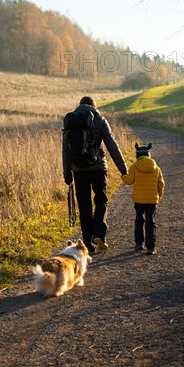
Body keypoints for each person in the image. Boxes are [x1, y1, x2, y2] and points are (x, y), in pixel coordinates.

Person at [62, 96, 128, 254]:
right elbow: (112, 145)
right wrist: (123, 169)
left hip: (78, 170)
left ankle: (87, 245)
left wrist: (67, 175)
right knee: (101, 200)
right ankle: (98, 234)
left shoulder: (70, 122)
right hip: (98, 168)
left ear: (80, 106)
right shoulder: (100, 120)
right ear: (93, 106)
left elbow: (65, 151)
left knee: (84, 206)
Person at [121, 143, 165, 255]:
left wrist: (123, 176)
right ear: (148, 155)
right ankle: (151, 247)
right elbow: (161, 184)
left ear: (137, 155)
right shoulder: (156, 168)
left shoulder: (135, 167)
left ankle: (139, 245)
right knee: (151, 222)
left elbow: (128, 181)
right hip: (152, 200)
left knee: (139, 221)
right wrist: (158, 196)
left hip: (139, 200)